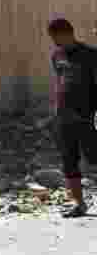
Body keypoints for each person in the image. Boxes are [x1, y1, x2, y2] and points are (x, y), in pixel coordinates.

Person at [47, 17, 97, 218]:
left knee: (94, 158)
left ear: (67, 33)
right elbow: (60, 83)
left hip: (86, 117)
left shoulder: (90, 55)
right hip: (64, 118)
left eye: (55, 37)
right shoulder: (57, 56)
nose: (54, 41)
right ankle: (79, 204)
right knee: (69, 162)